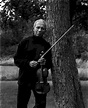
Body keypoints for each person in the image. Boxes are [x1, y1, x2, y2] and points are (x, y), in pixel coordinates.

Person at [14, 19, 52, 108]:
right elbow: (17, 59)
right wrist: (28, 63)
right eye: (38, 27)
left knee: (41, 105)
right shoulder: (24, 42)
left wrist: (45, 62)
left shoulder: (47, 45)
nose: (39, 30)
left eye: (42, 28)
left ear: (45, 30)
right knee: (21, 105)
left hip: (40, 80)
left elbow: (50, 64)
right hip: (25, 78)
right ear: (33, 28)